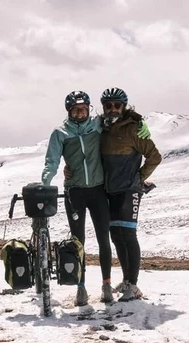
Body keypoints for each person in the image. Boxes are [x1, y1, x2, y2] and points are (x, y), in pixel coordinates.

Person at [41, 90, 111, 306]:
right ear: (69, 111)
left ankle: (106, 285)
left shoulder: (99, 125)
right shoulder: (60, 133)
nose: (81, 114)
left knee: (103, 239)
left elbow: (123, 131)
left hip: (99, 190)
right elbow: (51, 161)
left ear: (89, 108)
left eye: (84, 109)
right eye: (76, 110)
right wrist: (46, 183)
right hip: (75, 192)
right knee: (78, 240)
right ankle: (81, 287)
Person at [99, 87, 162, 301]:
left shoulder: (134, 129)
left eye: (117, 105)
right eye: (109, 105)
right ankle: (126, 280)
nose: (113, 109)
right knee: (116, 236)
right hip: (110, 190)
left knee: (127, 235)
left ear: (124, 106)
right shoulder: (102, 128)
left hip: (128, 191)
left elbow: (154, 156)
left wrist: (139, 178)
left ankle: (133, 286)